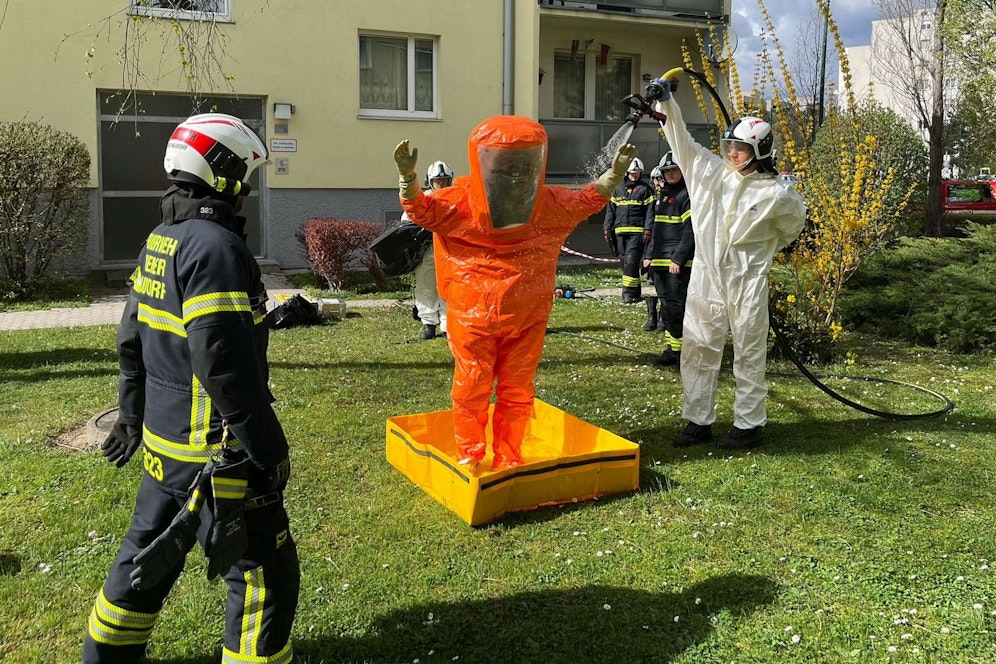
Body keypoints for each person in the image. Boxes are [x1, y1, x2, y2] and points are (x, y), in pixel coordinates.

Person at [84, 113, 299, 663]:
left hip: (164, 447)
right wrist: (268, 449)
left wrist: (131, 416)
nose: (248, 190)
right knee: (263, 576)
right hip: (218, 455)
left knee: (144, 558)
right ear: (223, 172)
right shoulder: (216, 249)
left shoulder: (162, 238)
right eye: (245, 176)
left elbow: (130, 336)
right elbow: (224, 365)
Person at [394, 117, 638, 472]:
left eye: (523, 166)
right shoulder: (464, 203)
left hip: (519, 318)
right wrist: (407, 178)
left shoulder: (544, 205)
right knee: (474, 387)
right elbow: (421, 209)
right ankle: (472, 455)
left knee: (515, 390)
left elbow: (587, 199)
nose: (515, 176)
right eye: (507, 166)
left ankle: (507, 456)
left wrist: (614, 175)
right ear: (487, 164)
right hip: (480, 318)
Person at [651, 80, 806, 451]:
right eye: (730, 147)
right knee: (698, 346)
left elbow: (791, 228)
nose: (733, 154)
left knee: (749, 351)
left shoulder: (777, 195)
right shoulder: (709, 172)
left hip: (746, 277)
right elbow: (681, 141)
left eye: (741, 149)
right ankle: (697, 420)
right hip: (707, 274)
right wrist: (667, 102)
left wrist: (759, 251)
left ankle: (748, 425)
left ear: (760, 151)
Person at [643, 152, 693, 365]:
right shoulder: (662, 195)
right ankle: (672, 348)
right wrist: (648, 255)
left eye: (674, 170)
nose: (670, 174)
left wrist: (678, 259)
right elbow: (657, 229)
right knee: (666, 306)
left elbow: (690, 231)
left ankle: (681, 352)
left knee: (676, 307)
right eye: (667, 171)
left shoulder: (686, 196)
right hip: (660, 261)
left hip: (675, 264)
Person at [404, 160, 453, 340]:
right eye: (437, 182)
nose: (441, 185)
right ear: (429, 182)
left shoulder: (455, 198)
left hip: (449, 252)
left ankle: (447, 324)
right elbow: (407, 222)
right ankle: (428, 324)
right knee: (425, 287)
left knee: (448, 288)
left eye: (445, 181)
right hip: (426, 252)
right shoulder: (422, 199)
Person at [602, 157, 655, 303]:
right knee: (625, 262)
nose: (634, 175)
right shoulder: (618, 189)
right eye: (632, 173)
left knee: (631, 262)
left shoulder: (646, 190)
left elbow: (650, 214)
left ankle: (629, 294)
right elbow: (611, 211)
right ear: (627, 172)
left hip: (637, 233)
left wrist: (648, 230)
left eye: (637, 173)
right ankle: (635, 292)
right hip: (620, 232)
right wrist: (607, 227)